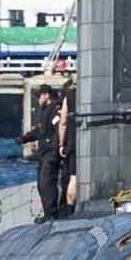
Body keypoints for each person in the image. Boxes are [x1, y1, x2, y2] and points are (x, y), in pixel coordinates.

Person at [16, 83, 63, 223]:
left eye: (39, 96)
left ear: (46, 94)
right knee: (41, 184)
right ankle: (48, 212)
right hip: (44, 153)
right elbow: (40, 131)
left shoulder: (55, 110)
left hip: (51, 152)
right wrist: (25, 138)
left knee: (47, 182)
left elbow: (58, 130)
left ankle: (52, 213)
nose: (38, 99)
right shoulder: (44, 111)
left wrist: (56, 149)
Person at [57, 70, 77, 216]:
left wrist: (61, 144)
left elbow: (63, 121)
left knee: (73, 176)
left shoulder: (69, 94)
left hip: (72, 140)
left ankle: (70, 210)